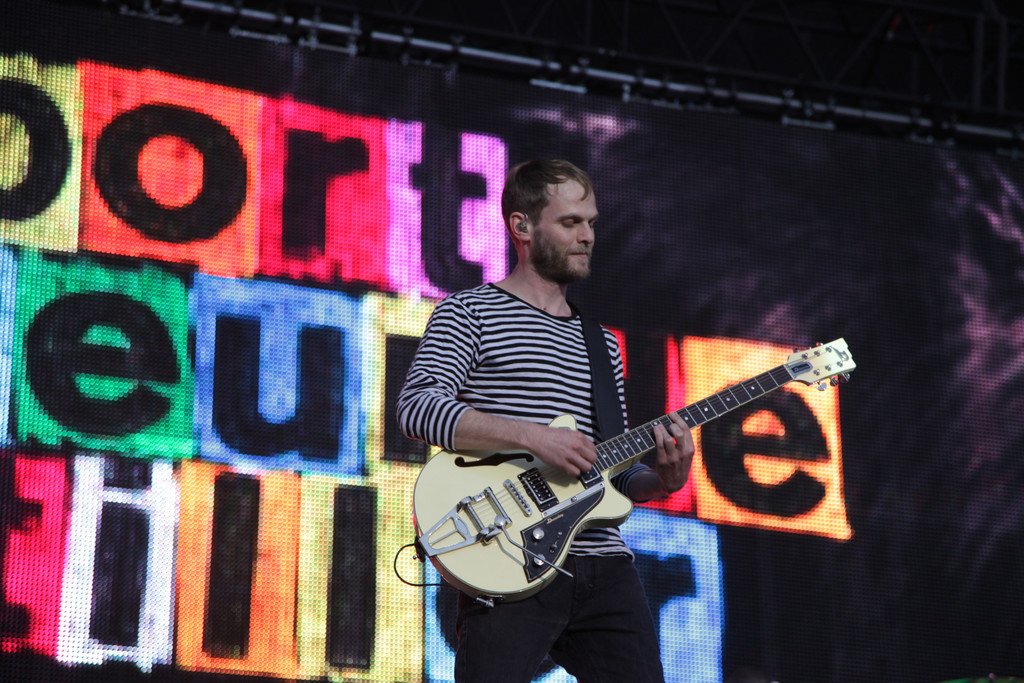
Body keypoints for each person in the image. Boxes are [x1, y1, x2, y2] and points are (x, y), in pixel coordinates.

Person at [397, 159, 694, 682]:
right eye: (570, 222)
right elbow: (417, 407)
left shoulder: (601, 345)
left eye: (591, 223)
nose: (587, 236)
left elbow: (614, 474)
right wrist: (534, 437)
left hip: (603, 564)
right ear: (522, 226)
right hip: (507, 552)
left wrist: (664, 480)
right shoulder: (469, 313)